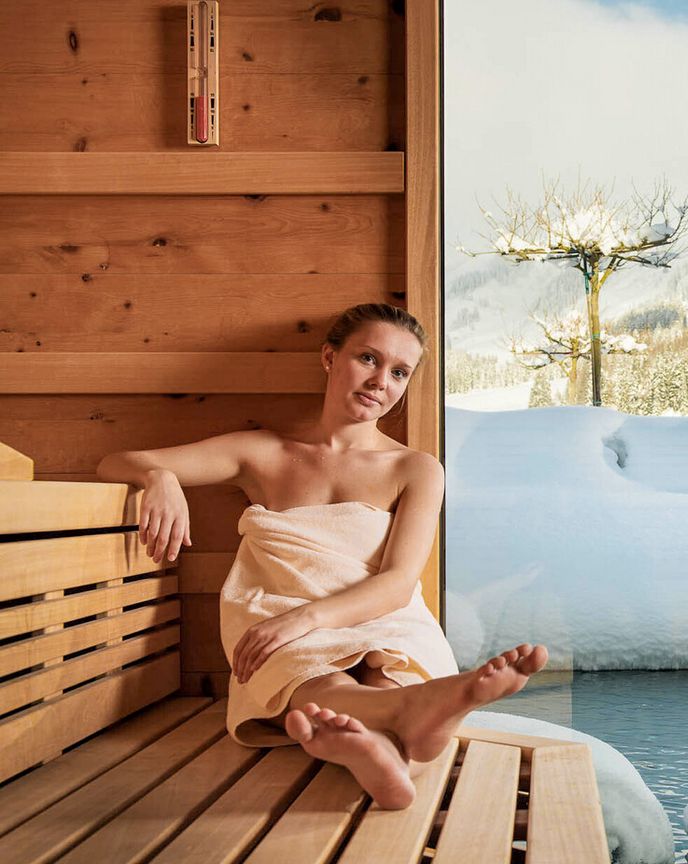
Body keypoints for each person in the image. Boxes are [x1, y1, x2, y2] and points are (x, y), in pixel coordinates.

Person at [95, 303, 546, 810]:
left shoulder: (415, 468)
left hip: (380, 614)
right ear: (330, 357)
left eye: (399, 372)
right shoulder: (262, 451)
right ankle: (406, 719)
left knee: (389, 667)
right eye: (368, 359)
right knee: (315, 674)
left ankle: (377, 737)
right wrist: (160, 476)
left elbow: (398, 582)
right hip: (278, 606)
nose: (382, 381)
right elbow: (115, 462)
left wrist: (305, 621)